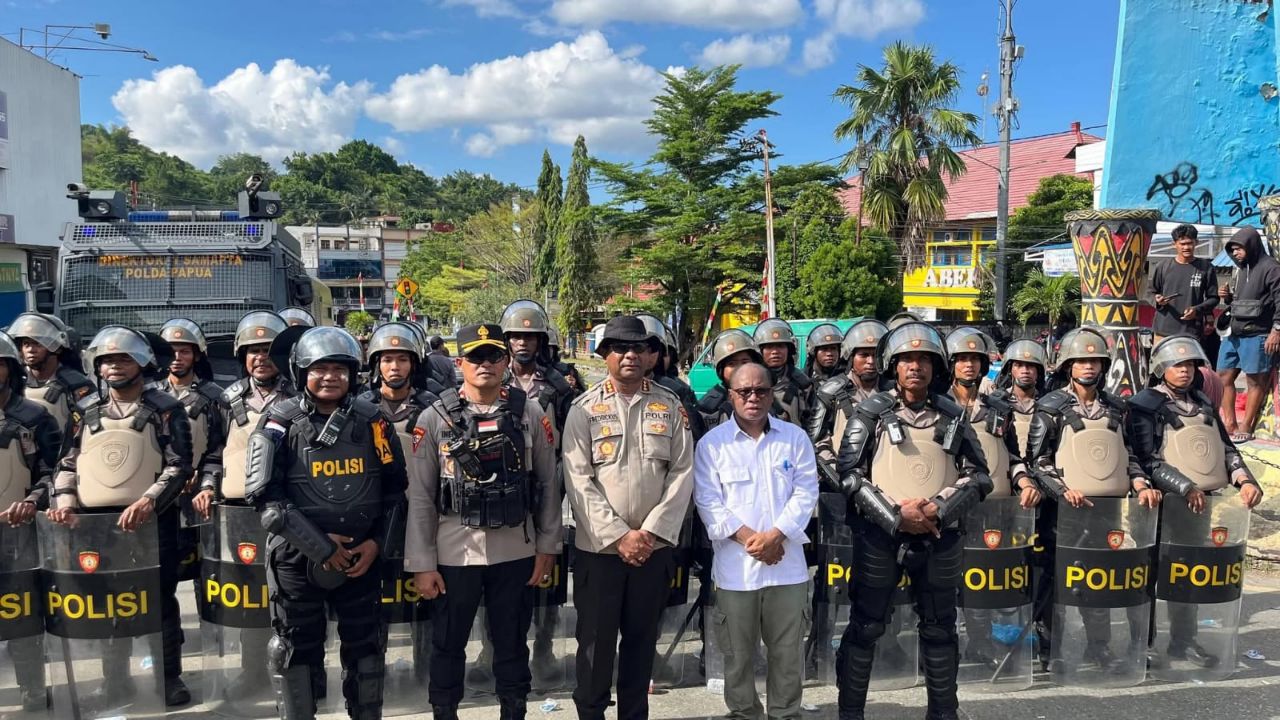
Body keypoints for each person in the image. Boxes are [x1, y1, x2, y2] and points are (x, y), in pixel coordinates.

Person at [245, 326, 408, 720]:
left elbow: (395, 491)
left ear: (353, 373)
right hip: (296, 560)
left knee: (367, 649)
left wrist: (374, 546)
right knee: (293, 651)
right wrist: (321, 546)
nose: (330, 376)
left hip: (360, 558)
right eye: (319, 368)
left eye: (339, 368)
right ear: (301, 372)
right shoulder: (278, 422)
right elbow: (265, 500)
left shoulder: (374, 421)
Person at [834, 321, 992, 720]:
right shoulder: (870, 412)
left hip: (941, 534)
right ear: (893, 365)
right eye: (906, 359)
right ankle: (850, 713)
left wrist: (940, 506)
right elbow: (849, 475)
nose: (915, 367)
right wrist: (895, 514)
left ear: (936, 365)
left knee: (940, 627)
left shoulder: (952, 415)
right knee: (866, 625)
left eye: (923, 359)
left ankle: (944, 712)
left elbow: (980, 475)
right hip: (880, 535)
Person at [404, 323, 560, 720]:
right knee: (448, 644)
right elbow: (421, 496)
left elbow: (547, 483)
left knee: (510, 643)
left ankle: (513, 711)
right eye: (475, 357)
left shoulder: (530, 411)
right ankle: (445, 712)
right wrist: (422, 563)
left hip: (515, 549)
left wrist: (547, 548)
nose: (485, 364)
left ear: (506, 361)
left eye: (493, 356)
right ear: (460, 363)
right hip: (454, 551)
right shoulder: (435, 417)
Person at [48, 325, 195, 707]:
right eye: (107, 360)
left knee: (158, 601)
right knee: (107, 604)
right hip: (95, 526)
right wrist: (64, 500)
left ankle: (169, 676)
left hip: (151, 522)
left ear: (142, 362)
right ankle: (116, 678)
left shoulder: (166, 408)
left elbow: (179, 464)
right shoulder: (84, 411)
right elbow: (66, 462)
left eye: (123, 358)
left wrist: (148, 501)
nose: (114, 366)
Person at [562, 315, 694, 720]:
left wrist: (650, 534)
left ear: (650, 355)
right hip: (599, 552)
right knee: (595, 648)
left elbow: (683, 473)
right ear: (604, 355)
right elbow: (577, 480)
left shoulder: (671, 407)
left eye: (637, 348)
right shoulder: (582, 410)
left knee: (640, 645)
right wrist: (619, 536)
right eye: (619, 348)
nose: (630, 355)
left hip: (651, 552)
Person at [1026, 326, 1160, 671]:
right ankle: (1049, 647)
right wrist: (1062, 489)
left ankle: (1098, 646)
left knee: (1097, 580)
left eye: (1094, 361)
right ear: (1068, 365)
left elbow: (1127, 455)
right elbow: (1037, 462)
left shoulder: (1116, 408)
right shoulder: (1051, 407)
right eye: (1081, 360)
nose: (1088, 367)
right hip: (1062, 511)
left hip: (1106, 509)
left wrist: (1141, 484)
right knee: (1057, 581)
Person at [1126, 335, 1265, 667]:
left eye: (1190, 365)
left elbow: (1224, 448)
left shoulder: (1202, 402)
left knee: (1187, 577)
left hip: (1197, 506)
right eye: (1178, 365)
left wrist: (1244, 479)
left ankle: (1182, 641)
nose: (1185, 371)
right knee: (1148, 577)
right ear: (1162, 368)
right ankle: (1140, 644)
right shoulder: (1144, 404)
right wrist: (1185, 486)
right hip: (1159, 506)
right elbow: (1145, 459)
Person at [694, 362, 818, 720]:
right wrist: (756, 542)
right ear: (730, 395)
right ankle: (745, 712)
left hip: (787, 567)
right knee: (737, 654)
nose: (753, 398)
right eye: (744, 392)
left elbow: (806, 492)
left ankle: (785, 712)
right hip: (736, 571)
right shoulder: (712, 445)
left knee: (787, 653)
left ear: (771, 393)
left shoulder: (794, 438)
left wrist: (776, 536)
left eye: (761, 391)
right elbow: (709, 502)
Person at [944, 327, 1040, 671]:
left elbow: (1014, 457)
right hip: (948, 508)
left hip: (993, 508)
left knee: (983, 578)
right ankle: (943, 645)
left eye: (976, 359)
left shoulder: (999, 408)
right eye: (963, 359)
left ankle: (981, 644)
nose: (969, 365)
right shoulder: (938, 403)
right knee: (946, 579)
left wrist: (1025, 480)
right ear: (951, 363)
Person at [0, 331, 62, 711]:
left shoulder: (34, 416)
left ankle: (32, 685)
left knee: (22, 610)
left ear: (9, 368)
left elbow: (54, 470)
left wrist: (33, 501)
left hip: (18, 532)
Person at [1216, 226, 1280, 442]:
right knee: (1223, 376)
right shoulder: (1242, 269)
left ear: (1251, 245)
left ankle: (1246, 424)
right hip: (1235, 332)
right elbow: (1244, 301)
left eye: (1239, 248)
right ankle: (1230, 422)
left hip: (1259, 333)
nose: (1235, 253)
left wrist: (1276, 330)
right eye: (1232, 249)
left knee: (1254, 381)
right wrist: (1228, 298)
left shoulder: (1271, 268)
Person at [7, 312, 93, 453]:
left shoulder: (76, 385)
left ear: (56, 347)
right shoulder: (13, 381)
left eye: (37, 343)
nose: (30, 350)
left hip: (63, 460)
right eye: (26, 344)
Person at [637, 313, 705, 442]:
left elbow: (695, 437)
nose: (641, 355)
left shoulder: (676, 391)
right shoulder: (603, 392)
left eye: (651, 350)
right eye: (636, 348)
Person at [1151, 224, 1218, 343]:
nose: (1186, 247)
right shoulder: (1162, 266)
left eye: (1190, 243)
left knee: (1189, 363)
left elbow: (1213, 298)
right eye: (1182, 244)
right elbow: (1150, 292)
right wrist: (1157, 300)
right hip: (1163, 332)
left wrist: (1197, 310)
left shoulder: (1206, 267)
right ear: (1174, 244)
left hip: (1192, 333)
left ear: (1196, 242)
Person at [697, 329, 765, 431]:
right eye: (732, 364)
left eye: (744, 362)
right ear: (721, 370)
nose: (739, 369)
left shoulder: (766, 397)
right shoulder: (708, 407)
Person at [753, 319, 812, 425]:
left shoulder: (802, 383)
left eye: (780, 346)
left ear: (789, 350)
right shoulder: (750, 382)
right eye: (769, 347)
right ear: (760, 351)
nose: (775, 352)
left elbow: (813, 421)